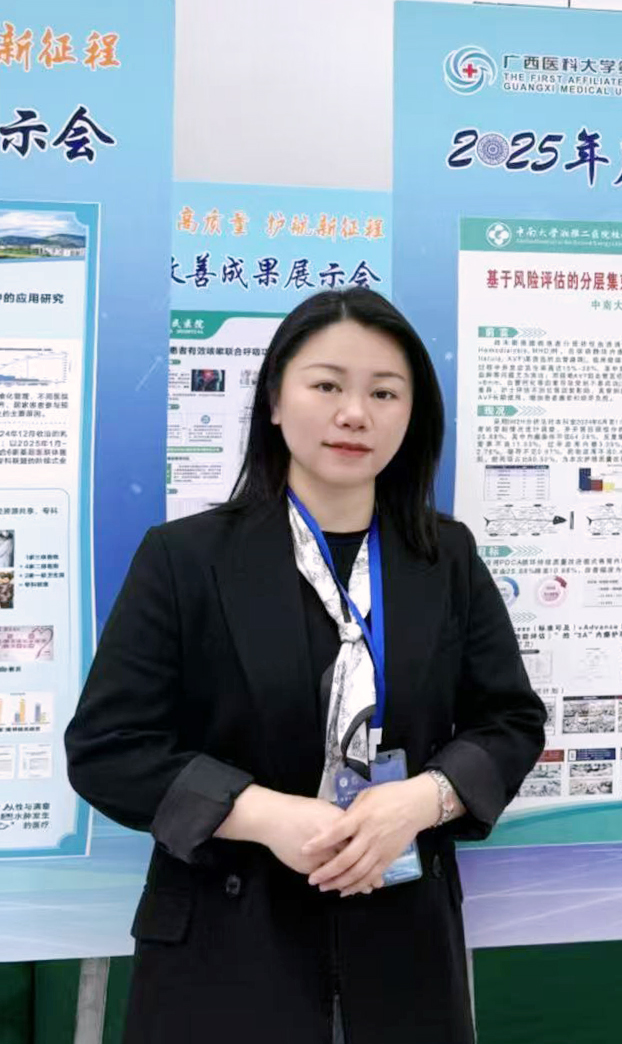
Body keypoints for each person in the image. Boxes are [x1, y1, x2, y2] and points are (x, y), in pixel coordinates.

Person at [65, 287, 546, 1044]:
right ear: (274, 401)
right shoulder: (186, 558)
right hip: (223, 939)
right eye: (326, 385)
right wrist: (264, 814)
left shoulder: (444, 557)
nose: (354, 413)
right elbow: (108, 749)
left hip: (404, 940)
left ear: (412, 414)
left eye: (384, 392)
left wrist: (424, 798)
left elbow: (511, 722)